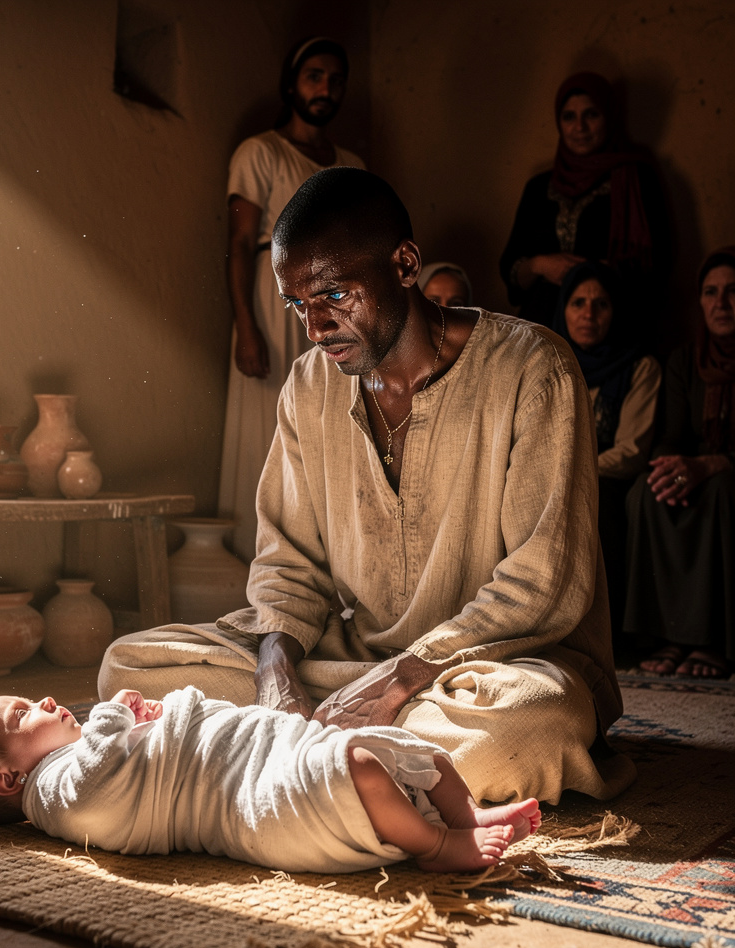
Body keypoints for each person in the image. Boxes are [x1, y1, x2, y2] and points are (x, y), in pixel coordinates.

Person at [101, 167, 633, 807]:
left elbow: (543, 582)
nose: (316, 326)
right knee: (131, 666)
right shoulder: (307, 386)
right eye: (299, 304)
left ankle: (302, 752)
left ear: (405, 264)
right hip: (356, 657)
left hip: (494, 668)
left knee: (532, 725)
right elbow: (288, 566)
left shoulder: (534, 369)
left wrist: (407, 674)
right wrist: (275, 677)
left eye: (334, 294)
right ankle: (360, 757)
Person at [0, 686, 542, 874]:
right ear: (8, 779)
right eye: (22, 714)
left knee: (413, 752)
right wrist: (115, 718)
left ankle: (467, 816)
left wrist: (139, 722)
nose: (42, 700)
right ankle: (436, 846)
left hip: (266, 747)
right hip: (250, 795)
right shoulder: (50, 794)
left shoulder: (75, 758)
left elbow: (125, 762)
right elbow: (98, 801)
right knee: (356, 771)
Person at [218, 36, 365, 562]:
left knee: (326, 418)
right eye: (314, 76)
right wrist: (246, 326)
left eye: (336, 80)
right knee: (268, 423)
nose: (326, 88)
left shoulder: (352, 165)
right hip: (274, 299)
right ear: (292, 84)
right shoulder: (260, 153)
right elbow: (238, 242)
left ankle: (321, 566)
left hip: (338, 302)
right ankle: (258, 564)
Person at [624, 246, 735, 679]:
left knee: (723, 491)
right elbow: (671, 437)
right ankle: (668, 637)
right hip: (700, 469)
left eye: (731, 291)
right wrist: (673, 467)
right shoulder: (684, 362)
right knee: (647, 492)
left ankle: (712, 643)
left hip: (727, 475)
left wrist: (712, 464)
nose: (721, 303)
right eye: (710, 293)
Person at [499, 72, 669, 332]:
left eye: (591, 114)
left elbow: (656, 266)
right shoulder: (539, 187)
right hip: (540, 331)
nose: (580, 127)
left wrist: (594, 271)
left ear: (609, 117)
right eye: (569, 117)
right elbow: (511, 268)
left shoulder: (636, 179)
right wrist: (541, 265)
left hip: (607, 333)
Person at [552, 260, 661, 638]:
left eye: (601, 304)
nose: (588, 314)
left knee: (592, 504)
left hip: (606, 482)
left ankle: (599, 635)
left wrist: (573, 473)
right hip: (550, 480)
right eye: (578, 302)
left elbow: (631, 450)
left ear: (617, 311)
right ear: (563, 309)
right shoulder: (547, 365)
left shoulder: (639, 368)